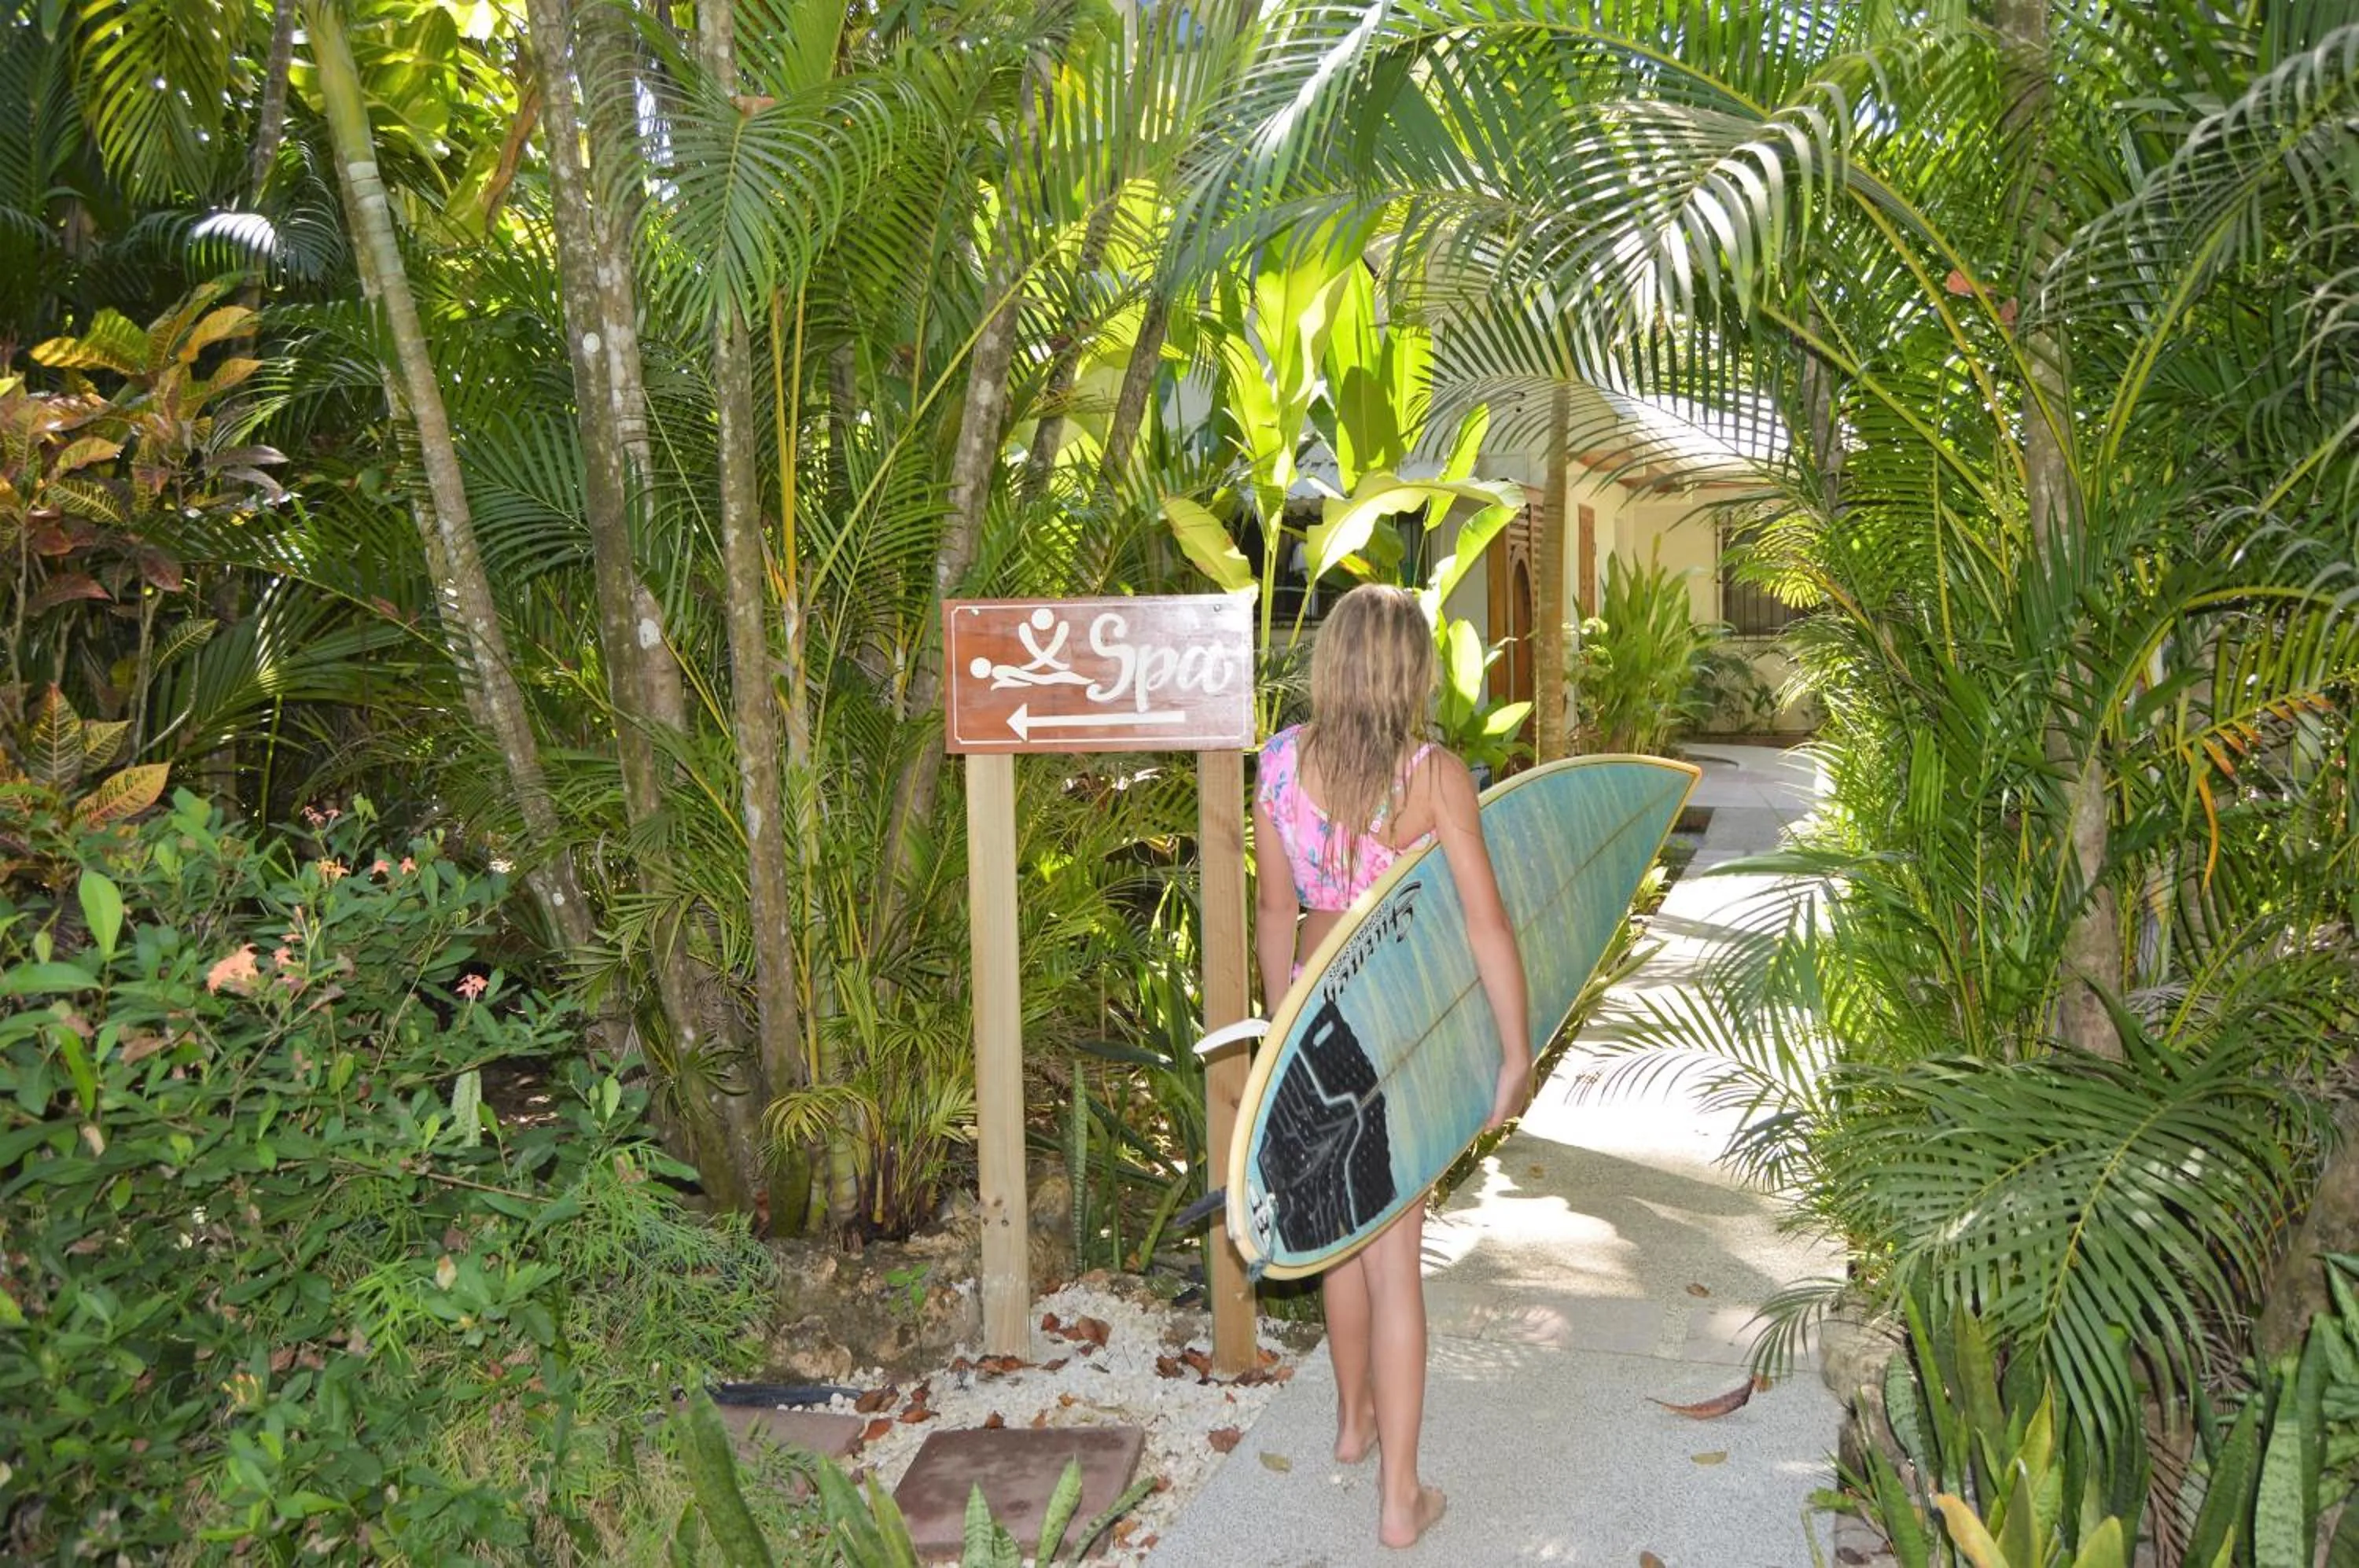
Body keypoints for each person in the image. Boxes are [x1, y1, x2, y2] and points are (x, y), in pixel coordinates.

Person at [1250, 583, 1532, 1551]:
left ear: (1331, 663)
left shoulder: (1280, 764)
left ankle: (1351, 1424)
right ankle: (1400, 1498)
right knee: (1395, 1259)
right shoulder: (1434, 774)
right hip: (1396, 1021)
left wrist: (1286, 1023)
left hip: (1316, 1018)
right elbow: (1488, 925)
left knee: (1338, 1234)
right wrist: (1515, 1050)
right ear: (1412, 673)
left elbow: (1276, 914)